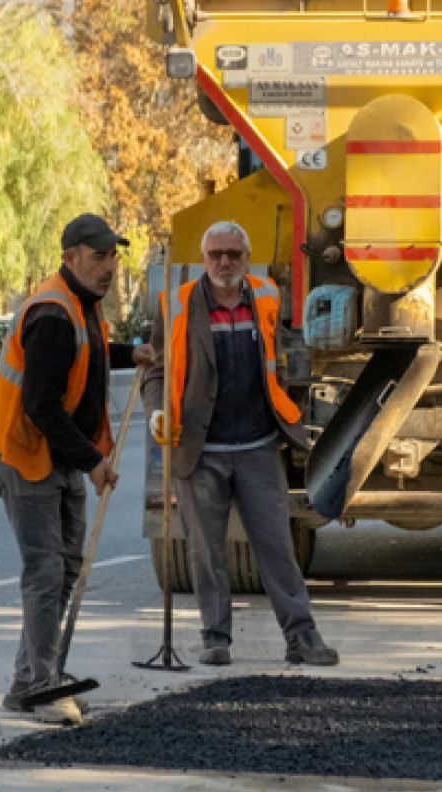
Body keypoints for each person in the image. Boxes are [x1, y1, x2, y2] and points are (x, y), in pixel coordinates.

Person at [0, 213, 156, 725]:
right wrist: (94, 462)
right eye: (98, 256)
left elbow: (89, 353)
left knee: (66, 568)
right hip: (24, 452)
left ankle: (29, 680)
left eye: (113, 258)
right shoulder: (54, 313)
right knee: (46, 571)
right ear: (71, 257)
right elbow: (41, 405)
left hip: (55, 453)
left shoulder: (81, 306)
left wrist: (129, 353)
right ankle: (42, 683)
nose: (108, 267)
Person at [142, 220, 338, 667]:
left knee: (276, 546)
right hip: (200, 447)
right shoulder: (177, 304)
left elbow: (279, 359)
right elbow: (155, 370)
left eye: (233, 254)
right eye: (216, 255)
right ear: (203, 258)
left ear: (246, 258)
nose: (224, 262)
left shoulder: (266, 297)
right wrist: (157, 411)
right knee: (205, 551)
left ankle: (302, 637)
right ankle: (215, 638)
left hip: (257, 446)